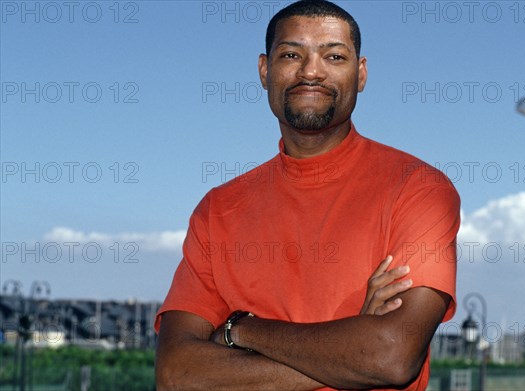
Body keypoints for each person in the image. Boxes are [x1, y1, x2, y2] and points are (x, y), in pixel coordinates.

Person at [154, 1, 460, 390]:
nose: (311, 71)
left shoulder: (417, 189)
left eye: (333, 55)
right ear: (265, 71)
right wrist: (347, 352)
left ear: (360, 74)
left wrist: (242, 330)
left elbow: (391, 357)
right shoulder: (217, 210)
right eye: (291, 54)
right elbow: (175, 374)